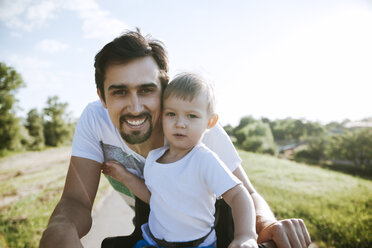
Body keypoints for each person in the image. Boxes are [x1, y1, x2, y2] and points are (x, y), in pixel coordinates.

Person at [39, 29, 311, 248]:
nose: (135, 107)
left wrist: (264, 224)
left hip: (210, 218)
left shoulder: (195, 130)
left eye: (146, 90)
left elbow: (246, 192)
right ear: (102, 96)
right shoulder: (93, 119)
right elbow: (76, 201)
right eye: (119, 92)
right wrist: (60, 229)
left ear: (164, 90)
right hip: (155, 217)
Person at [102, 73, 258, 248]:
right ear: (161, 116)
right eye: (171, 114)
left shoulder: (203, 159)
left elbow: (238, 194)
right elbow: (154, 197)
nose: (180, 123)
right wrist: (124, 176)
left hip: (198, 245)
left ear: (210, 121)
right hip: (153, 242)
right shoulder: (154, 157)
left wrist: (245, 235)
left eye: (191, 116)